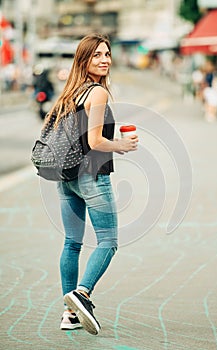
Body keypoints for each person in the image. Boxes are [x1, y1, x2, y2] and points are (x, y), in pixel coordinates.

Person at [45, 33, 139, 335]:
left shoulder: (70, 93)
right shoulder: (96, 92)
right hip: (91, 177)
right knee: (108, 242)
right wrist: (122, 145)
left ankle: (68, 315)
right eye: (97, 55)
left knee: (72, 243)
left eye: (107, 54)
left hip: (65, 179)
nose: (104, 60)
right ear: (83, 60)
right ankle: (82, 294)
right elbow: (95, 141)